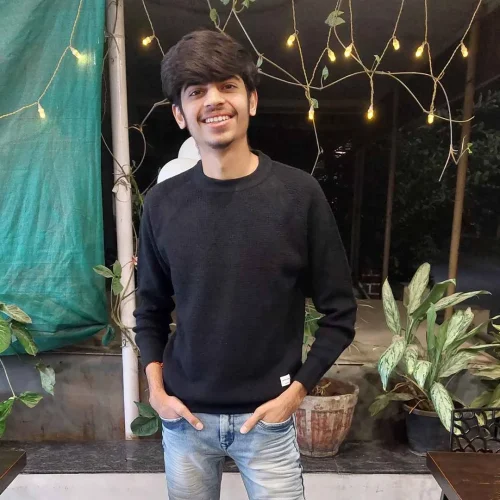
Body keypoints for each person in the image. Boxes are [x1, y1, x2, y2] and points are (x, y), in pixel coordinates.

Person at [134, 29, 357, 500]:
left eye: (228, 86)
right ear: (179, 114)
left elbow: (340, 313)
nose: (214, 100)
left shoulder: (299, 196)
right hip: (185, 420)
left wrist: (295, 395)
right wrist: (156, 392)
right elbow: (149, 310)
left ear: (251, 100)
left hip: (268, 422)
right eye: (196, 91)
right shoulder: (162, 204)